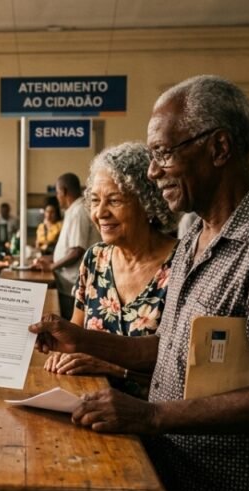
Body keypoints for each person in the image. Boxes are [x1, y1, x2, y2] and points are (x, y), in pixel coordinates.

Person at [29, 75, 249, 491]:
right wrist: (78, 335)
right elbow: (171, 347)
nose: (153, 170)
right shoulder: (194, 234)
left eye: (164, 153)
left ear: (219, 147)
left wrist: (150, 416)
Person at [43, 142, 178, 400]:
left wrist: (112, 369)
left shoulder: (183, 264)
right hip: (91, 404)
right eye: (95, 200)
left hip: (155, 420)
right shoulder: (95, 259)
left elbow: (182, 364)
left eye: (114, 200)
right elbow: (77, 329)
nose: (100, 213)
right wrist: (63, 354)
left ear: (147, 202)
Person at [32, 173, 100, 297]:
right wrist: (51, 258)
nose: (58, 197)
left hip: (73, 282)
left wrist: (52, 266)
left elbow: (77, 251)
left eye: (58, 193)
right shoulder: (73, 210)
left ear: (63, 191)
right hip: (70, 280)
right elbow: (69, 249)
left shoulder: (78, 212)